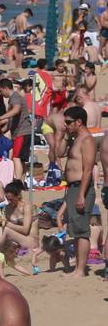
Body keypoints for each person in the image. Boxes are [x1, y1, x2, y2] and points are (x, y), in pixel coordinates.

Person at [60, 106, 95, 276]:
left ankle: (80, 269)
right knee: (75, 229)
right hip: (73, 188)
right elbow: (58, 153)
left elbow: (88, 169)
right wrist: (66, 136)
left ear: (79, 122)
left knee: (81, 230)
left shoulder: (87, 140)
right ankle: (78, 268)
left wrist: (81, 194)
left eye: (68, 122)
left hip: (82, 187)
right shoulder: (75, 138)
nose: (66, 125)